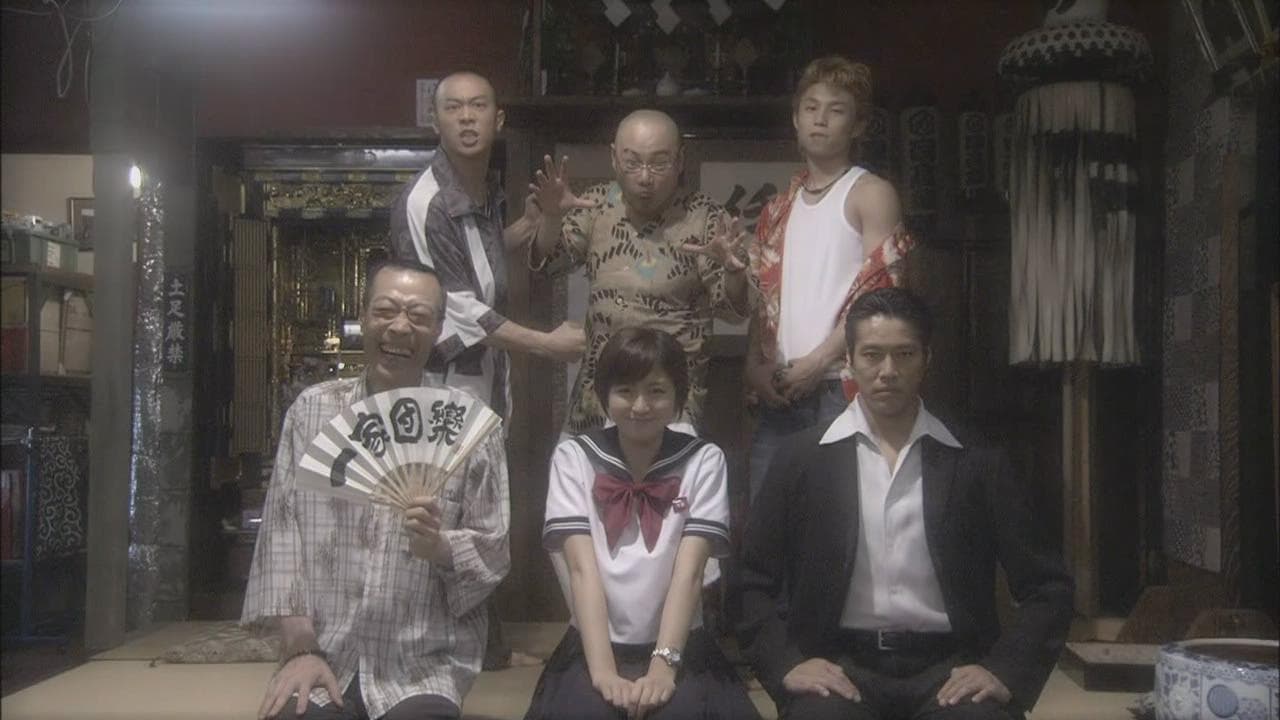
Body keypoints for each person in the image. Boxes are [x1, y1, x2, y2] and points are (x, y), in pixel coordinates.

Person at [737, 288, 1073, 720]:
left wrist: (1006, 670)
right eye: (872, 355)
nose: (888, 371)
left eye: (905, 354)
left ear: (927, 359)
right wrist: (786, 664)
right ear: (849, 361)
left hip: (951, 669)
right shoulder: (800, 459)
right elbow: (751, 582)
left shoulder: (977, 459)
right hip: (837, 666)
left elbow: (1047, 584)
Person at [242, 259, 510, 720]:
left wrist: (440, 547)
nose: (400, 327)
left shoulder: (468, 428)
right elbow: (282, 536)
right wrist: (301, 647)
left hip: (423, 663)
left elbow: (495, 548)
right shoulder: (312, 412)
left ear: (439, 330)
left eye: (418, 316)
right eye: (385, 311)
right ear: (363, 318)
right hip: (324, 654)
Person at [388, 69, 582, 668]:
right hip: (441, 386)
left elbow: (483, 254)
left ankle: (486, 647)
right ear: (435, 120)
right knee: (440, 518)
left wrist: (533, 221)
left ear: (498, 120)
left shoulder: (479, 189)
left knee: (481, 515)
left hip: (484, 383)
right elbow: (455, 305)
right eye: (454, 108)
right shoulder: (425, 201)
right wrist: (545, 345)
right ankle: (436, 650)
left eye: (478, 107)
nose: (467, 117)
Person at [525, 327, 761, 720]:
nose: (640, 405)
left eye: (656, 391)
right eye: (625, 391)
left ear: (678, 397)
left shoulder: (704, 459)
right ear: (603, 395)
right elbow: (581, 570)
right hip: (594, 641)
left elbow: (690, 572)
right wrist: (603, 671)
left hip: (680, 642)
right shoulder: (574, 457)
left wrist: (663, 666)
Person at [745, 56, 917, 502]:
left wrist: (818, 362)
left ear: (858, 125)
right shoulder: (776, 208)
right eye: (811, 108)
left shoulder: (869, 192)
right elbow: (763, 298)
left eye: (836, 110)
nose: (820, 119)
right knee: (767, 521)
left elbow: (883, 296)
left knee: (838, 521)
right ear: (796, 118)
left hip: (839, 386)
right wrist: (754, 366)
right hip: (781, 388)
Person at [528, 109, 757, 435]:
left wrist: (734, 271)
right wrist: (551, 218)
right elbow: (549, 263)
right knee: (577, 466)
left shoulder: (704, 217)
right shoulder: (597, 204)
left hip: (671, 400)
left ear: (680, 161)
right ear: (614, 158)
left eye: (659, 163)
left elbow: (734, 311)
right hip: (598, 397)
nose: (645, 177)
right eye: (632, 163)